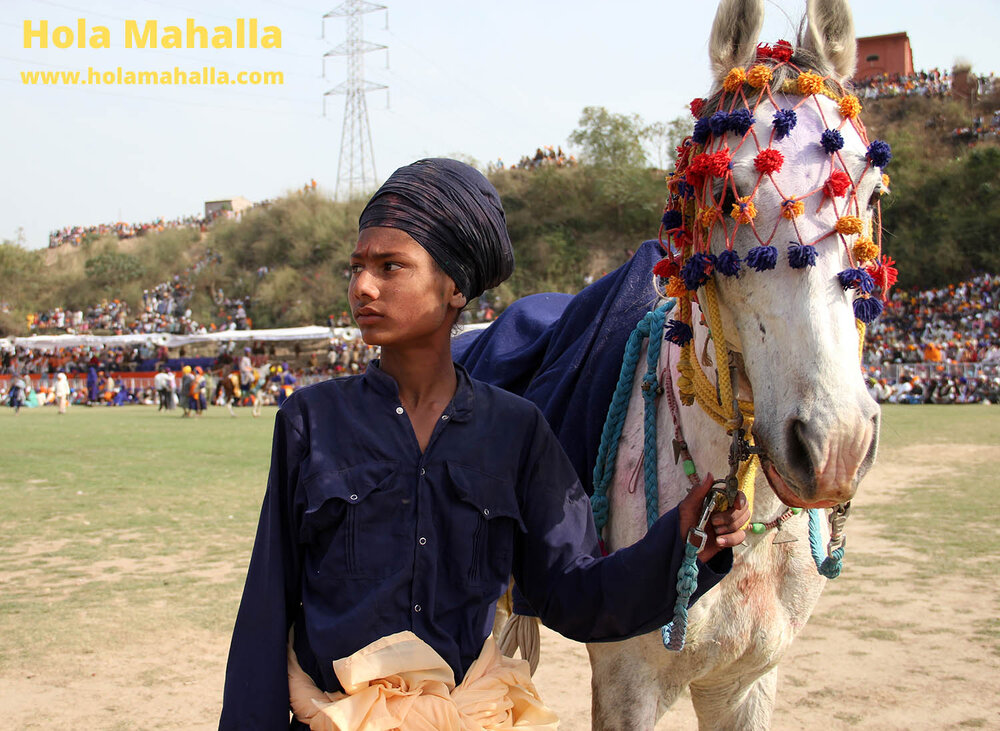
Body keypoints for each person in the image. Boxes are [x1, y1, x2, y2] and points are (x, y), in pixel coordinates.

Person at [219, 159, 749, 730]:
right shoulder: (311, 421)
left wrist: (682, 542)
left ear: (453, 289)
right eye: (357, 267)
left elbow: (570, 592)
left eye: (390, 266)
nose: (362, 287)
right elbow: (268, 607)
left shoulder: (517, 432)